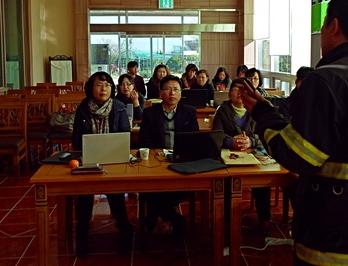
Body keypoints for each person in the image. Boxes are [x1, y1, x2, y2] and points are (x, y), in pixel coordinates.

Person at [239, 0, 348, 266]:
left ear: (333, 26)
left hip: (336, 240)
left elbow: (298, 155)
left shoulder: (326, 80)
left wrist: (262, 115)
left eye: (322, 27)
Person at [71, 71, 134, 257]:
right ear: (91, 88)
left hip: (114, 159)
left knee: (115, 193)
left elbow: (125, 136)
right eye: (99, 85)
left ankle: (124, 229)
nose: (103, 89)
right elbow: (76, 139)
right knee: (84, 193)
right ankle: (82, 233)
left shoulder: (119, 107)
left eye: (107, 85)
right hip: (88, 159)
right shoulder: (83, 108)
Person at [138, 75, 198, 239]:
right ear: (160, 93)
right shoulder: (150, 113)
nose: (172, 92)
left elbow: (194, 140)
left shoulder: (189, 112)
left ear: (181, 93)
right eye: (168, 89)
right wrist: (156, 154)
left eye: (176, 89)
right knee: (146, 187)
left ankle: (154, 213)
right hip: (155, 162)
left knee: (185, 186)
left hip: (181, 162)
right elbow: (143, 140)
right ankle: (174, 217)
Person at [211, 77, 272, 233]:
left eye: (243, 90)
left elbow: (265, 135)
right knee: (225, 182)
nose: (238, 93)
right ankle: (226, 219)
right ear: (229, 93)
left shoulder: (256, 111)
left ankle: (264, 218)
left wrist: (251, 141)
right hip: (228, 157)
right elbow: (216, 136)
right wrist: (231, 141)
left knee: (262, 182)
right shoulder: (222, 110)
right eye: (235, 89)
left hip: (254, 155)